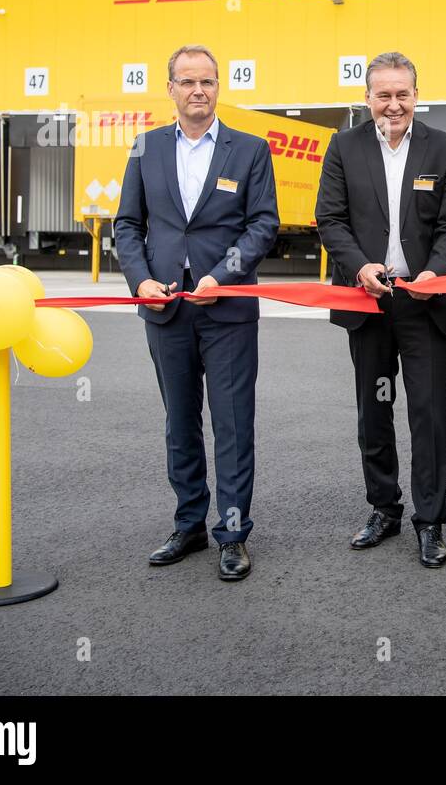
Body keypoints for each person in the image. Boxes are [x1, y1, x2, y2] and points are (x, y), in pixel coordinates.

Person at [114, 44, 280, 582]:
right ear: (170, 89)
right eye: (187, 82)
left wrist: (223, 275)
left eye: (207, 81)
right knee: (179, 423)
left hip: (226, 308)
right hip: (165, 310)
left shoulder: (250, 150)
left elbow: (262, 225)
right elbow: (127, 226)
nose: (198, 91)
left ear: (218, 87)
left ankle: (231, 535)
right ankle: (188, 524)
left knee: (232, 425)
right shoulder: (145, 149)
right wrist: (140, 280)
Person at [315, 52, 446, 568]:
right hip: (368, 301)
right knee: (373, 411)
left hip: (424, 303)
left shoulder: (445, 150)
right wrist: (359, 266)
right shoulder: (343, 147)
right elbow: (330, 219)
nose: (394, 104)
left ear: (416, 95)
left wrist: (437, 272)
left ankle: (431, 520)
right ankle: (384, 508)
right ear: (367, 98)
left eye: (402, 94)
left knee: (428, 415)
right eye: (383, 94)